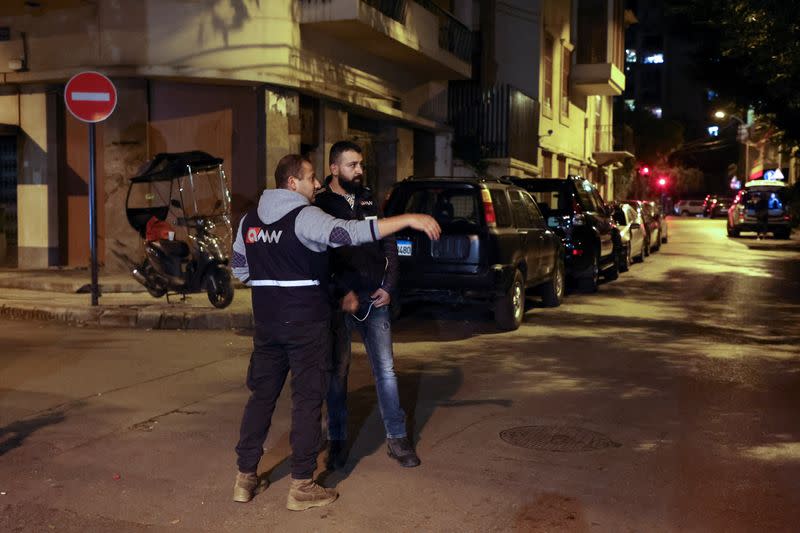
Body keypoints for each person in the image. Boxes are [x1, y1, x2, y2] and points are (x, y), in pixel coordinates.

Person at [230, 154, 439, 511]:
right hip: (306, 325)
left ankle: (244, 478)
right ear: (292, 183)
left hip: (266, 325)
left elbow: (240, 268)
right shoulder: (304, 216)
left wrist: (272, 284)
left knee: (260, 398)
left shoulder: (249, 220)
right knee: (308, 401)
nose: (316, 185)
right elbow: (351, 233)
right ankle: (301, 485)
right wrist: (409, 219)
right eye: (310, 178)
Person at [315, 141, 420, 471]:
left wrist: (388, 286)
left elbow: (389, 242)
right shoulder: (319, 205)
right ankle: (337, 442)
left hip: (375, 299)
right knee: (337, 373)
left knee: (386, 371)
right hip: (340, 303)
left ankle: (397, 439)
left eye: (360, 164)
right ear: (334, 169)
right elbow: (318, 256)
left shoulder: (369, 198)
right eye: (351, 165)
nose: (359, 170)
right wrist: (339, 293)